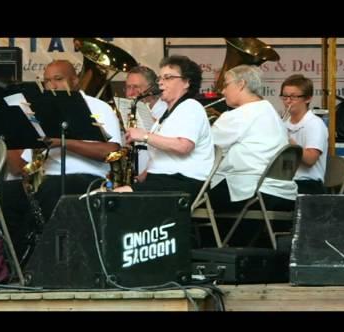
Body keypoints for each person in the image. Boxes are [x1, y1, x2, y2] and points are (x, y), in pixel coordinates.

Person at [1, 59, 122, 259]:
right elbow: (18, 168)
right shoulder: (39, 112)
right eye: (47, 81)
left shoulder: (98, 107)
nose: (51, 86)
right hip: (46, 179)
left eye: (58, 79)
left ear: (75, 81)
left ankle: (43, 257)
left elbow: (110, 152)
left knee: (53, 187)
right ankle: (17, 260)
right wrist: (10, 136)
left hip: (88, 178)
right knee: (5, 194)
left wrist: (63, 143)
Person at [115, 55, 214, 204]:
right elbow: (163, 154)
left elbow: (184, 146)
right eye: (160, 78)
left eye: (167, 78)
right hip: (165, 181)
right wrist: (143, 175)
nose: (160, 82)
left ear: (186, 82)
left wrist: (145, 136)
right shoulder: (168, 114)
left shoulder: (191, 107)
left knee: (111, 199)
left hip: (182, 182)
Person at [208, 65, 298, 214]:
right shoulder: (270, 111)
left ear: (241, 84)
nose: (222, 91)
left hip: (250, 193)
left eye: (226, 84)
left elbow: (207, 148)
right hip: (284, 193)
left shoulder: (238, 115)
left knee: (187, 196)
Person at [280, 73, 328, 194]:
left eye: (293, 97)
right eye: (284, 97)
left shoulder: (315, 124)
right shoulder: (284, 123)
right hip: (287, 182)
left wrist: (288, 141)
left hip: (308, 184)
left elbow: (311, 159)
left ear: (308, 98)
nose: (288, 102)